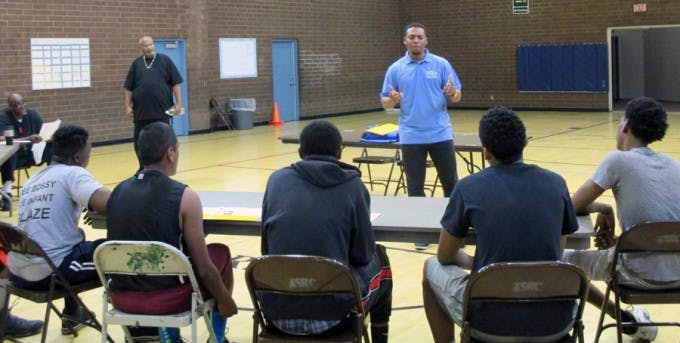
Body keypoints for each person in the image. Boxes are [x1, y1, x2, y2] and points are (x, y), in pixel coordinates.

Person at [422, 107, 579, 343]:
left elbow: (444, 256)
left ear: (486, 152)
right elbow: (555, 255)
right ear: (525, 143)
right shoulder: (557, 184)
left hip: (489, 322)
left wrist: (487, 267)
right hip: (555, 321)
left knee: (430, 267)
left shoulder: (468, 188)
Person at [261, 120, 392, 343]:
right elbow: (362, 254)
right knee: (381, 260)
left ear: (300, 152)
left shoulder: (276, 181)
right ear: (340, 152)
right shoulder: (354, 187)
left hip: (276, 311)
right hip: (333, 315)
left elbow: (266, 249)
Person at [562, 97, 680, 342]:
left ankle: (628, 321)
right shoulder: (674, 166)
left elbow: (569, 207)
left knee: (558, 262)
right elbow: (662, 229)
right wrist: (622, 243)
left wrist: (602, 207)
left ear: (626, 126)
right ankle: (636, 321)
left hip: (635, 275)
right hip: (677, 273)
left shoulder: (617, 161)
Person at [106, 122, 237, 343]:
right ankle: (216, 336)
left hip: (120, 296)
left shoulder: (116, 192)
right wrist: (226, 300)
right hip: (166, 300)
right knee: (220, 254)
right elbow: (204, 270)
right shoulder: (185, 197)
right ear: (170, 153)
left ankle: (167, 333)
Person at [7, 125, 110, 335]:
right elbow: (113, 203)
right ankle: (139, 327)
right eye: (88, 153)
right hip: (49, 274)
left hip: (17, 272)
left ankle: (72, 316)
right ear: (77, 157)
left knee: (75, 244)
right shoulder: (74, 174)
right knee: (117, 254)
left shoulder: (32, 181)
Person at [380, 22, 462, 198]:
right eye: (412, 37)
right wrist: (392, 100)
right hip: (411, 135)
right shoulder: (395, 68)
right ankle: (419, 225)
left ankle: (454, 224)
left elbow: (457, 96)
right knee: (415, 189)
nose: (416, 40)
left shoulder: (441, 64)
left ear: (426, 41)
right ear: (405, 41)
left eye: (419, 37)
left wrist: (452, 91)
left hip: (440, 133)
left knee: (451, 184)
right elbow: (384, 101)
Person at [124, 36, 183, 168]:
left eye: (150, 44)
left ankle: (164, 168)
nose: (148, 47)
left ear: (153, 45)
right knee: (139, 142)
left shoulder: (165, 60)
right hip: (141, 113)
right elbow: (128, 88)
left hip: (161, 112)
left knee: (164, 142)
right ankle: (143, 168)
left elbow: (176, 84)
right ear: (141, 48)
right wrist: (127, 106)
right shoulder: (136, 64)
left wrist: (179, 103)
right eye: (145, 45)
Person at [0, 93, 45, 211]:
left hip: (32, 153)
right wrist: (27, 139)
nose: (22, 107)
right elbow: (5, 139)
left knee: (52, 147)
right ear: (11, 107)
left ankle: (57, 182)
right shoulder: (4, 117)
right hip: (15, 156)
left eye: (23, 103)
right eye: (18, 105)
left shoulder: (32, 114)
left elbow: (43, 131)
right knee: (11, 149)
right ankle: (7, 193)